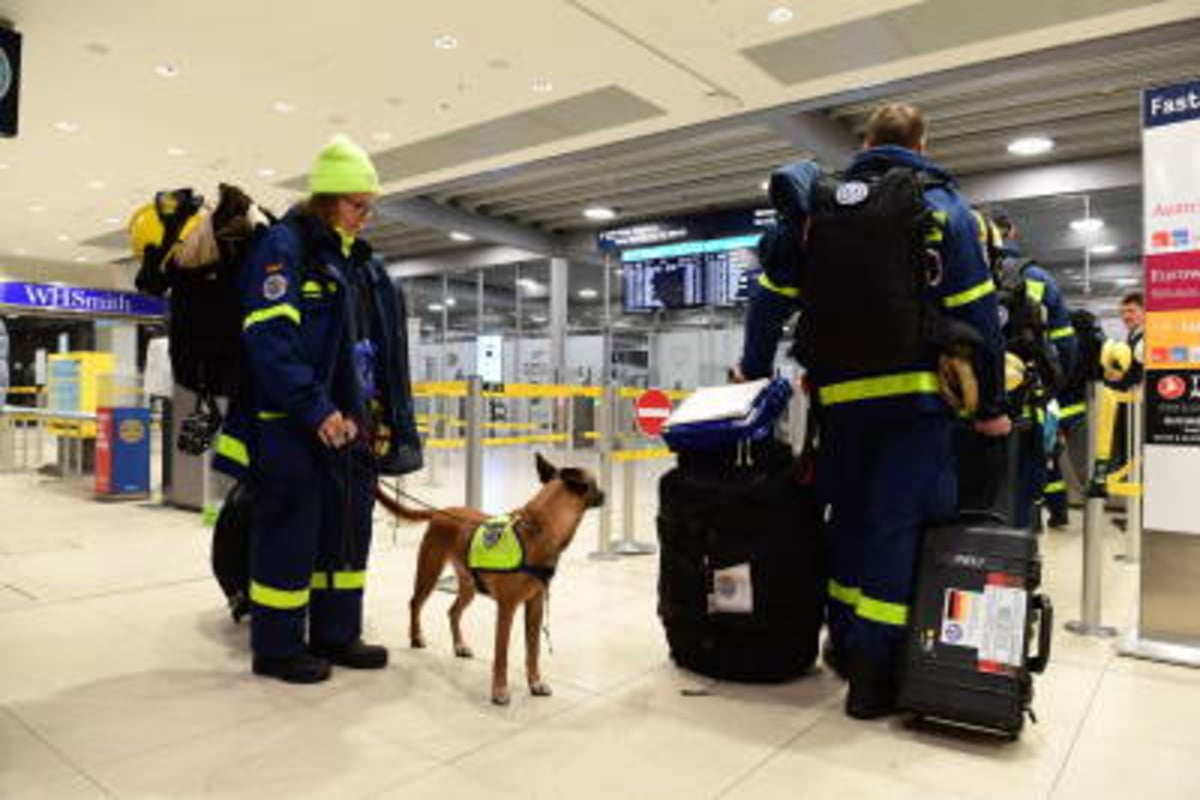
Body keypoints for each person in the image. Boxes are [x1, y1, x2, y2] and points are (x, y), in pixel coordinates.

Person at [738, 103, 1009, 719]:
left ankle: (844, 641)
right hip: (913, 404)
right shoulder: (941, 209)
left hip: (836, 403)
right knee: (895, 526)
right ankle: (873, 676)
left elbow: (769, 296)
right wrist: (991, 405)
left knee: (848, 519)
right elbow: (976, 315)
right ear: (923, 139)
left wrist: (754, 369)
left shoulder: (816, 208)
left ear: (864, 142)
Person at [217, 135, 422, 683]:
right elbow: (270, 341)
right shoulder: (284, 247)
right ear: (328, 199)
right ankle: (278, 647)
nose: (366, 216)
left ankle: (336, 634)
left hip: (350, 427)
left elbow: (369, 346)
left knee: (346, 532)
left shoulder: (357, 262)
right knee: (290, 534)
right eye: (359, 205)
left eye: (369, 205)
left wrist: (375, 412)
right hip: (291, 426)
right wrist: (314, 408)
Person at [979, 211, 1078, 530]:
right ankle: (1016, 559)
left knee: (974, 491)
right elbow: (1065, 346)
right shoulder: (1039, 279)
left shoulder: (962, 270)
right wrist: (1052, 387)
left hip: (971, 409)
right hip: (1026, 406)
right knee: (1024, 489)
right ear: (1013, 233)